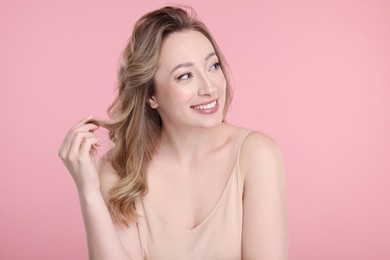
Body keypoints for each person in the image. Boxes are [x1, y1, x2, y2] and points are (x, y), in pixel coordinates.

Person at [58, 6, 288, 260]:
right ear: (151, 95)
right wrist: (89, 191)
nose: (210, 88)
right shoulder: (120, 169)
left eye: (213, 66)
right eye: (185, 75)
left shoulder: (256, 154)